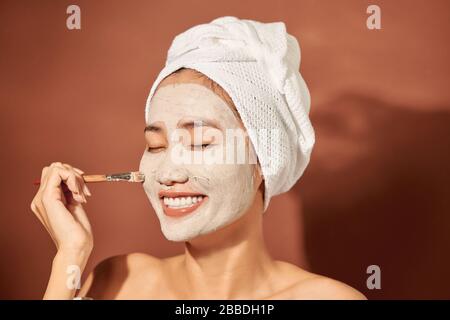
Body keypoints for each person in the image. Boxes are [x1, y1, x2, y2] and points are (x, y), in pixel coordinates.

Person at [30, 17, 366, 300]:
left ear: (264, 159)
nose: (167, 172)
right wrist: (70, 255)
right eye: (156, 146)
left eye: (202, 143)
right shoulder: (120, 282)